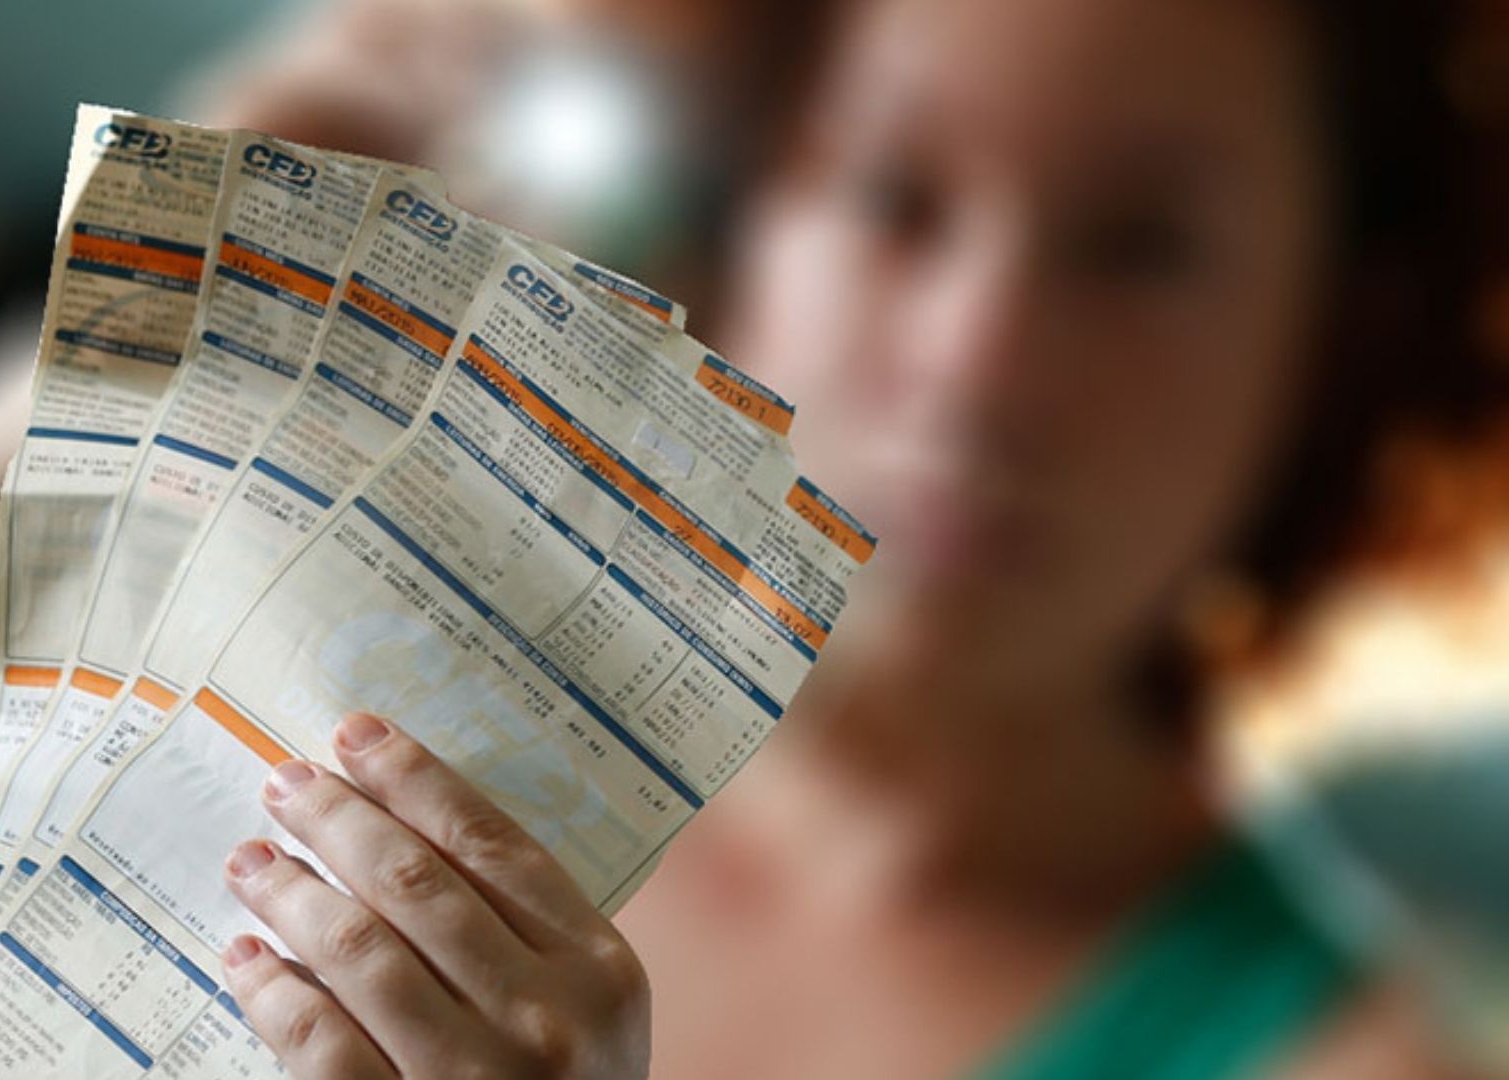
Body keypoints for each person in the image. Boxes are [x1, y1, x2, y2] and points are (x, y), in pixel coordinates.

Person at [198, 0, 1504, 1076]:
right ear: (726, 224)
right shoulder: (293, 704)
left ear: (1341, 332)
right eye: (892, 195)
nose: (980, 367)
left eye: (1142, 246)